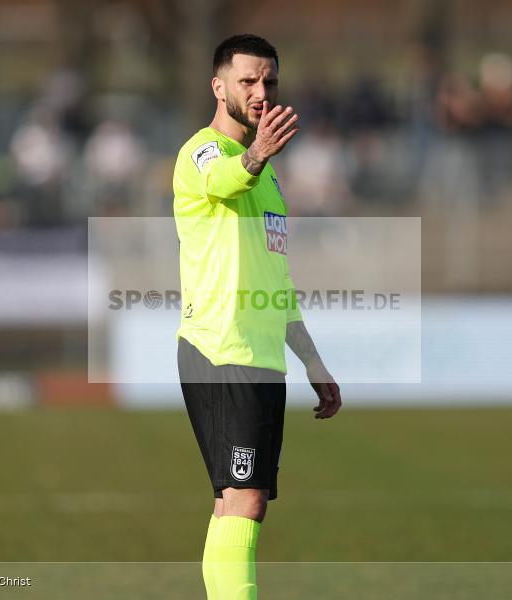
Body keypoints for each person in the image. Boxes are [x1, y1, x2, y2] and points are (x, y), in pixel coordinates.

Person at [172, 34, 342, 599]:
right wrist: (255, 155)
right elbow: (223, 178)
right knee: (242, 497)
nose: (260, 91)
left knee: (243, 502)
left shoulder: (268, 180)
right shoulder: (202, 153)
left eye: (268, 80)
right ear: (219, 87)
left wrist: (315, 363)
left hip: (262, 355)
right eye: (248, 80)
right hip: (219, 349)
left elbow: (279, 283)